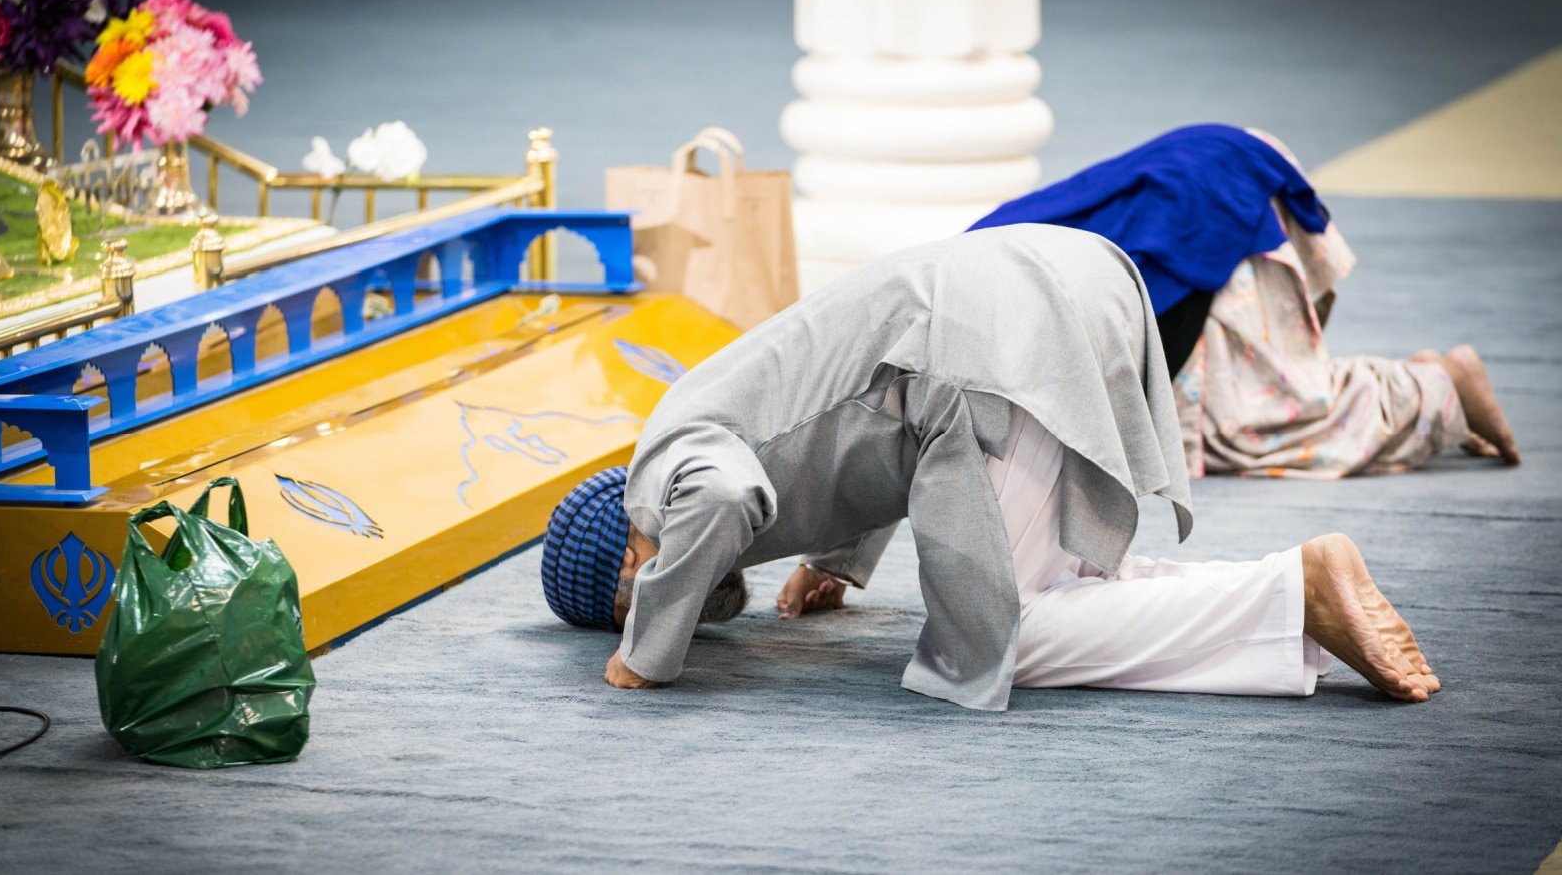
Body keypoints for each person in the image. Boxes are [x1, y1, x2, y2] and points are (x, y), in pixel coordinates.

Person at [537, 225, 1438, 710]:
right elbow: (843, 407)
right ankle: (1295, 600)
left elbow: (727, 495)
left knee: (1006, 637)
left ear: (627, 556)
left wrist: (644, 656)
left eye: (644, 593)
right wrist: (835, 563)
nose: (688, 609)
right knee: (1079, 577)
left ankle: (1292, 593)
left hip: (986, 338)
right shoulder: (709, 403)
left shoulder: (659, 469)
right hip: (1068, 278)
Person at [970, 123, 1519, 478]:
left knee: (1251, 429)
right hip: (1215, 173)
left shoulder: (976, 304)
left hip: (1210, 208)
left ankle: (1437, 386)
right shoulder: (968, 262)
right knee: (1270, 390)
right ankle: (1409, 382)